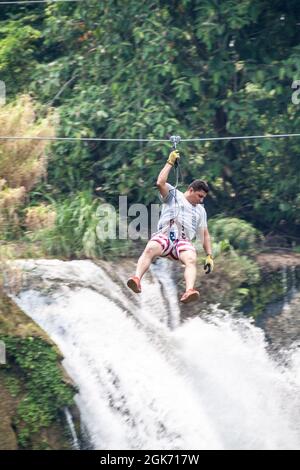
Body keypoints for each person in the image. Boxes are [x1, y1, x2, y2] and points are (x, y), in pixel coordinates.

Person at [127, 149, 214, 303]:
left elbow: (205, 234)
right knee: (150, 248)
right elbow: (160, 182)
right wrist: (169, 162)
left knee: (191, 259)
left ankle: (189, 291)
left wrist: (209, 255)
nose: (201, 200)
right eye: (199, 196)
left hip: (183, 241)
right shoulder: (174, 194)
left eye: (203, 198)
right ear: (190, 190)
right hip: (165, 236)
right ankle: (136, 279)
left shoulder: (200, 210)